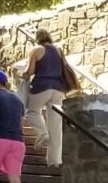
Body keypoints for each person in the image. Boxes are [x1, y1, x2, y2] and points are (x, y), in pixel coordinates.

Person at [20, 28, 77, 168]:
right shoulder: (58, 51)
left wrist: (23, 74)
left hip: (41, 87)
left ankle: (42, 134)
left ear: (37, 38)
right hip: (58, 89)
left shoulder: (36, 50)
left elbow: (30, 71)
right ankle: (55, 161)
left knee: (32, 111)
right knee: (56, 126)